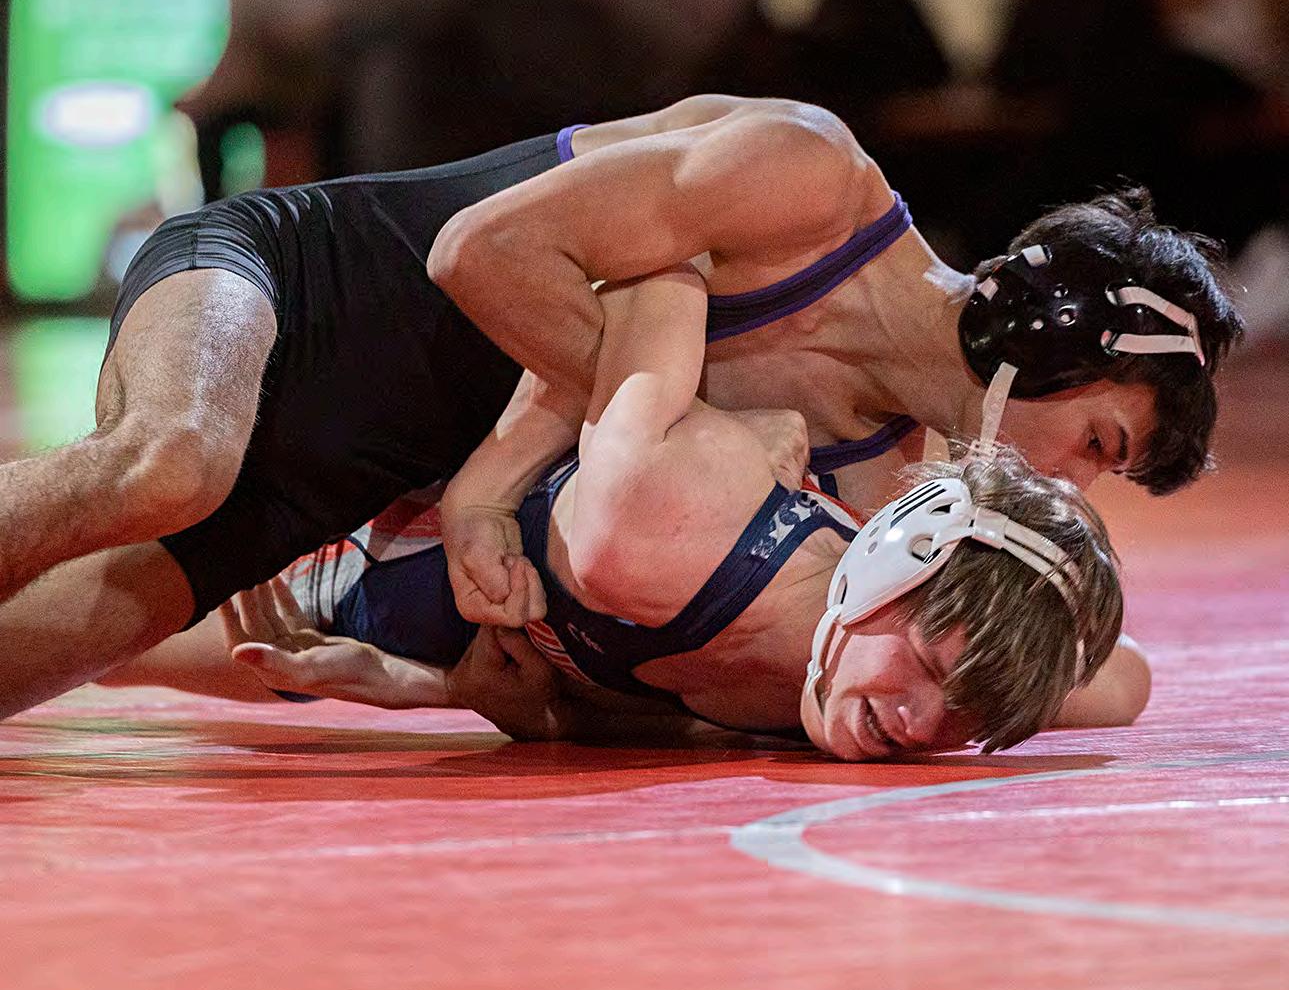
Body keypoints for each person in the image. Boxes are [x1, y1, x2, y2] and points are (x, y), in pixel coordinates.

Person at [0, 96, 1238, 722]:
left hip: (354, 473)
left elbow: (1104, 679)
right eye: (1098, 443)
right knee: (171, 460)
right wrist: (600, 445)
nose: (1067, 482)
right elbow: (479, 254)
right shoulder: (808, 183)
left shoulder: (879, 477)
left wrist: (465, 681)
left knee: (34, 663)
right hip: (297, 277)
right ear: (1047, 334)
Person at [102, 266, 1129, 759]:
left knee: (105, 646)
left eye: (966, 720)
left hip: (415, 624)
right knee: (79, 599)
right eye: (934, 671)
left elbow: (1122, 683)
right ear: (898, 553)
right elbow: (648, 260)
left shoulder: (889, 671)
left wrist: (434, 691)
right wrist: (486, 488)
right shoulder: (670, 518)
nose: (919, 723)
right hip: (377, 482)